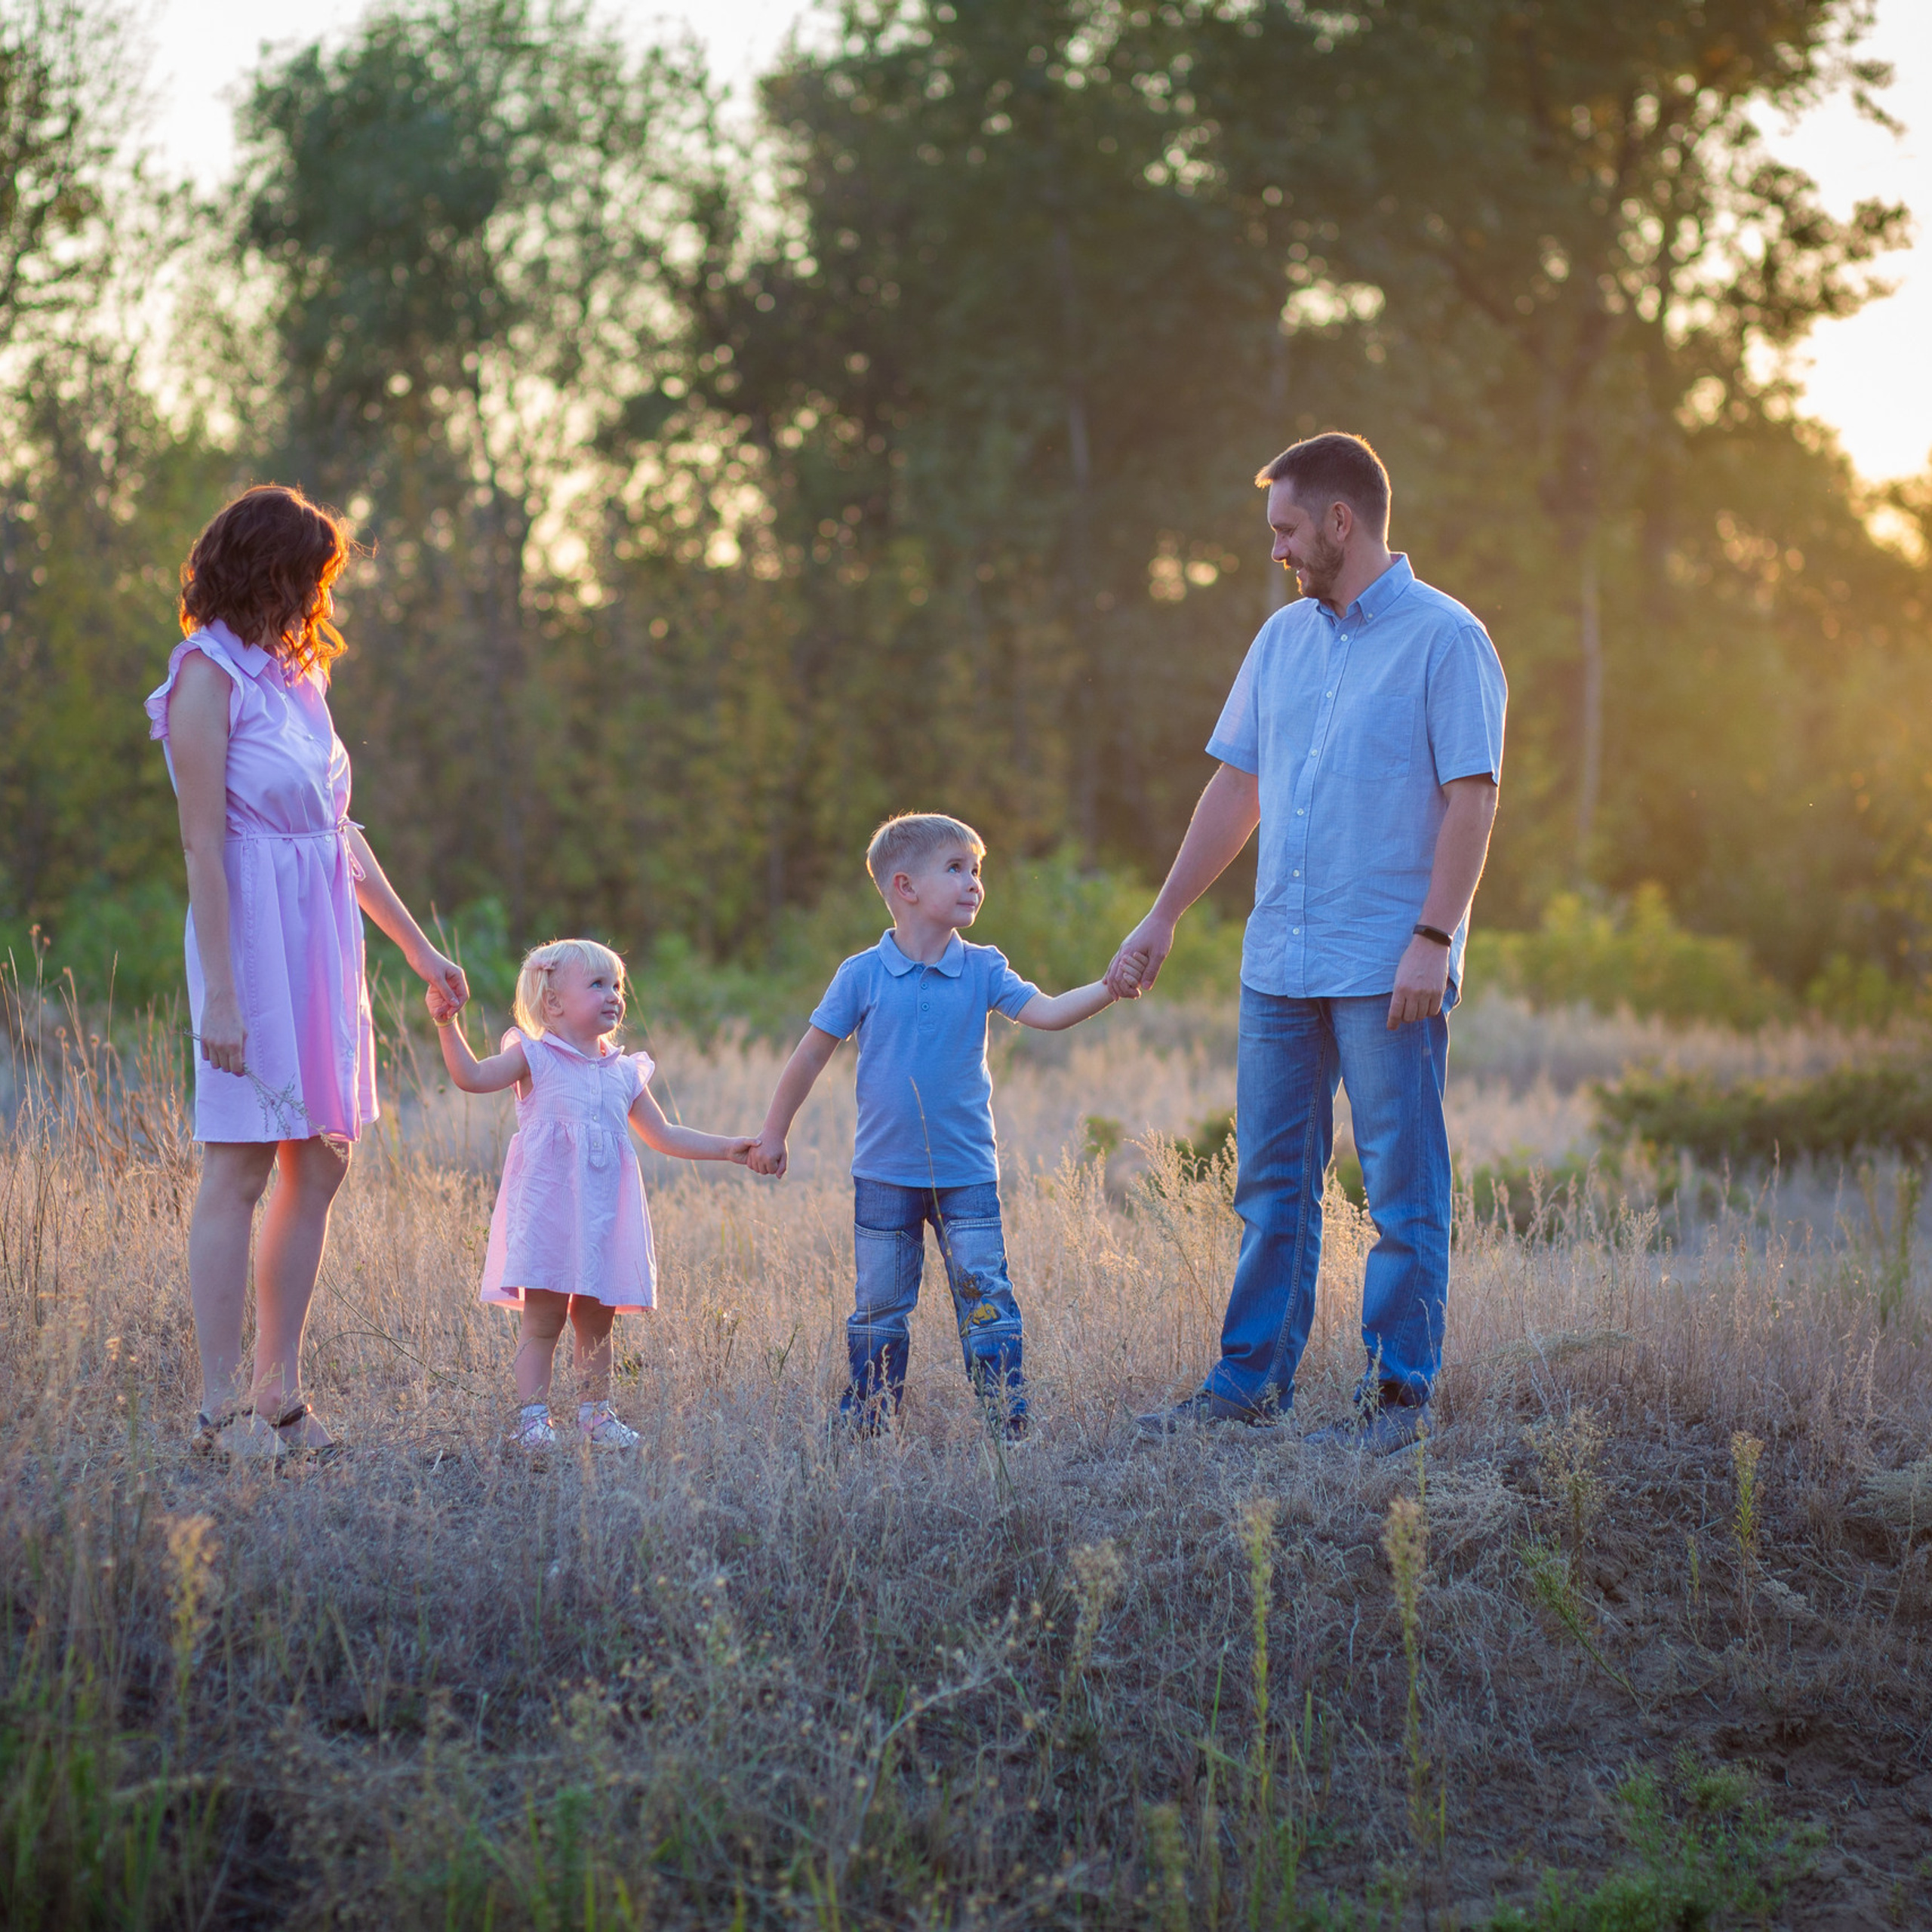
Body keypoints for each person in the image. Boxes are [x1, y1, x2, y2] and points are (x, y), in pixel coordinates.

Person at [1108, 433, 1506, 1453]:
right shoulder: (1280, 640)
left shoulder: (1447, 638)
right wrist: (1164, 914)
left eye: (1287, 529)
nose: (1277, 549)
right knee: (1271, 1186)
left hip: (1387, 962)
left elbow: (1473, 798)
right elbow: (1237, 786)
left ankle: (1397, 1402)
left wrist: (1434, 937)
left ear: (1340, 520)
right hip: (1278, 961)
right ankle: (1248, 1388)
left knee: (1400, 1189)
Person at [147, 485, 469, 1461]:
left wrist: (418, 948)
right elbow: (202, 846)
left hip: (322, 933)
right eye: (309, 576)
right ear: (265, 570)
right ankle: (217, 1412)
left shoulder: (298, 676)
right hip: (251, 936)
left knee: (322, 1153)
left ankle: (279, 1392)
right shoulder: (206, 677)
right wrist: (222, 995)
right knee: (240, 1161)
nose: (318, 595)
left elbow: (338, 830)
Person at [748, 814, 1136, 1439]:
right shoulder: (861, 974)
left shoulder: (984, 968)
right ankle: (869, 1420)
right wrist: (774, 1132)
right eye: (955, 869)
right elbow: (810, 1055)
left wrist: (1110, 988)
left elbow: (1049, 1012)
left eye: (977, 870)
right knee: (878, 1309)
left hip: (966, 1174)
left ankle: (1007, 1420)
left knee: (987, 1301)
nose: (974, 882)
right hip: (885, 1174)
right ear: (905, 886)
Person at [428, 938, 757, 1450]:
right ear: (553, 1002)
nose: (614, 996)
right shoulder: (533, 1057)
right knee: (543, 1319)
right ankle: (532, 1421)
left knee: (597, 1321)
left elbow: (665, 1134)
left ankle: (595, 1416)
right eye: (598, 985)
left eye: (617, 986)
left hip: (603, 1214)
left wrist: (728, 1148)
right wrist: (447, 1025)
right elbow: (470, 1077)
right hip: (549, 1212)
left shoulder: (624, 1072)